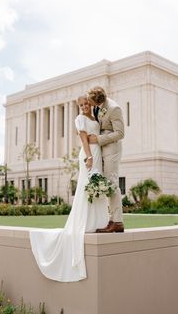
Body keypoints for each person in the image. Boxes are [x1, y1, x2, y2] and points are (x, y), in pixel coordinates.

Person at [29, 96, 109, 282]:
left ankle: (99, 221)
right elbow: (83, 139)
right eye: (81, 105)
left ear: (91, 104)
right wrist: (89, 156)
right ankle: (86, 222)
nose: (84, 107)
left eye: (86, 104)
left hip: (98, 154)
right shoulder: (79, 119)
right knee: (87, 186)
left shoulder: (95, 117)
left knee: (97, 186)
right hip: (89, 154)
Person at [87, 86, 125, 233]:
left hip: (112, 151)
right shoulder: (98, 107)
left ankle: (118, 222)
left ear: (98, 100)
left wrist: (98, 139)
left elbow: (120, 133)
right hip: (101, 151)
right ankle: (111, 219)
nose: (91, 105)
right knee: (106, 184)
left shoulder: (114, 108)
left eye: (92, 102)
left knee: (112, 183)